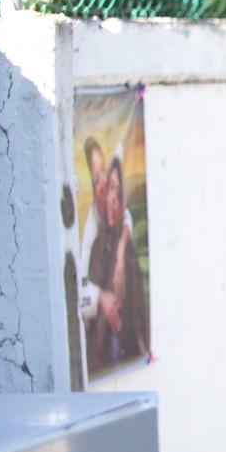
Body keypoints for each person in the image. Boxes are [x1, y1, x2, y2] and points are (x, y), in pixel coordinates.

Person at [78, 143, 149, 373]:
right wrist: (102, 298)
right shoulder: (91, 234)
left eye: (105, 176)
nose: (103, 185)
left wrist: (119, 255)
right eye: (96, 177)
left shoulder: (120, 236)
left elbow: (124, 216)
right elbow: (78, 289)